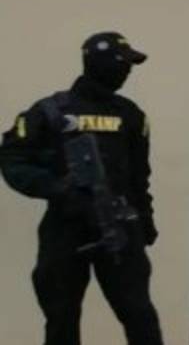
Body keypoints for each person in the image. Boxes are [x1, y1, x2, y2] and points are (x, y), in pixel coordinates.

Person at [0, 32, 164, 345]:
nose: (128, 71)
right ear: (100, 63)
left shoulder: (131, 114)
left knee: (140, 315)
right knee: (61, 318)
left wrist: (144, 221)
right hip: (66, 227)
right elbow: (12, 158)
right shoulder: (50, 111)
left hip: (119, 225)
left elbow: (139, 177)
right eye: (122, 63)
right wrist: (57, 187)